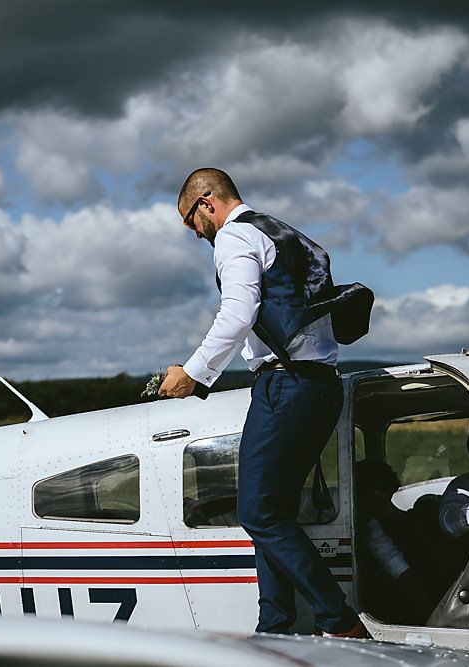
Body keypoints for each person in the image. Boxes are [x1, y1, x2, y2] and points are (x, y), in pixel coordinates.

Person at [158, 168, 373, 638]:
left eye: (190, 221)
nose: (193, 232)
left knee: (257, 512)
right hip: (321, 385)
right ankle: (275, 625)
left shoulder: (234, 237)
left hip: (285, 385)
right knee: (271, 509)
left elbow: (238, 313)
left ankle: (340, 622)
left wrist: (193, 374)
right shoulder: (285, 234)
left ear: (207, 203)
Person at [355, 459, 434, 625]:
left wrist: (431, 617)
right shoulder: (318, 508)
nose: (376, 514)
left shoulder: (371, 525)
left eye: (382, 507)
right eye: (371, 505)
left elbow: (394, 563)